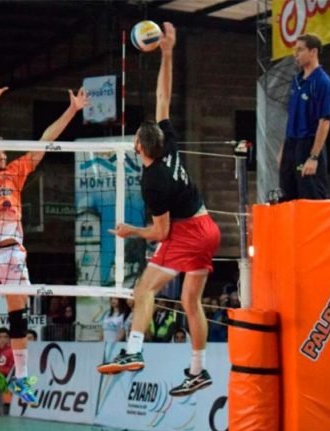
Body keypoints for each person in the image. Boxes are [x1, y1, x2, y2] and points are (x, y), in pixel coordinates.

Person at [96, 23, 222, 398]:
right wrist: (167, 52)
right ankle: (198, 371)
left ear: (139, 147)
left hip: (187, 231)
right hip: (207, 226)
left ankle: (133, 350)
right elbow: (162, 96)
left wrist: (128, 231)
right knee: (190, 301)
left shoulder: (152, 182)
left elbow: (161, 233)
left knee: (144, 287)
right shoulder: (167, 144)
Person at [0, 71, 89, 405]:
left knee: (18, 318)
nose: (0, 155)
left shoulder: (15, 173)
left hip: (12, 254)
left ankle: (20, 380)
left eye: (2, 151)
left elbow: (45, 142)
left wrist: (72, 110)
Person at [280, 33, 330, 201]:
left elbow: (324, 122)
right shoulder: (296, 81)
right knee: (287, 196)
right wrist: (283, 150)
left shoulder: (322, 83)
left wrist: (314, 157)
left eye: (300, 50)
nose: (295, 55)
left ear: (313, 52)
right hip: (292, 143)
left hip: (308, 143)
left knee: (310, 197)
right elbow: (291, 118)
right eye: (295, 50)